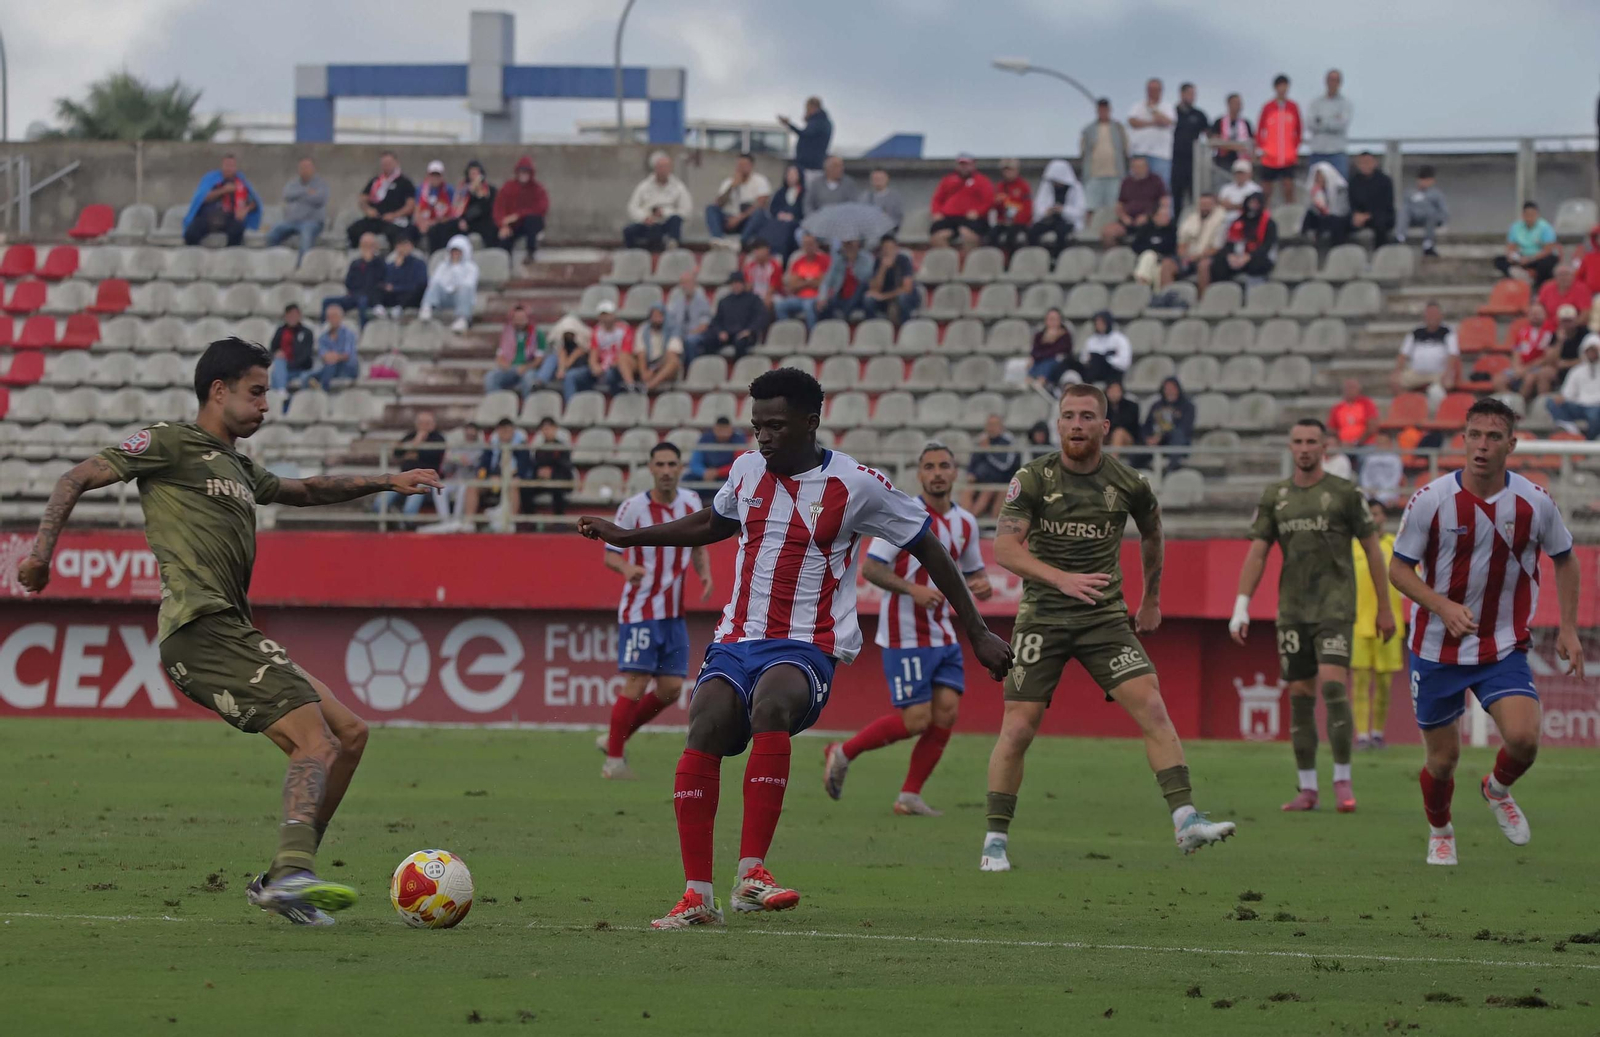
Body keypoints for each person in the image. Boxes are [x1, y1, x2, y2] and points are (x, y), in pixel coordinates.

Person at [16, 337, 440, 925]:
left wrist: (387, 482)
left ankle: (280, 877)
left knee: (350, 733)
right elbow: (75, 478)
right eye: (257, 391)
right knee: (316, 740)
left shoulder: (239, 466)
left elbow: (306, 490)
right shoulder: (168, 442)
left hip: (231, 629)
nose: (267, 405)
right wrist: (41, 555)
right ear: (219, 390)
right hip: (199, 628)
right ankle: (292, 875)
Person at [576, 367, 1013, 928]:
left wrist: (975, 629)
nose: (763, 436)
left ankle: (752, 873)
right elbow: (714, 520)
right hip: (736, 637)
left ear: (811, 423)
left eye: (775, 426)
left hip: (809, 642)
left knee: (772, 705)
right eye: (757, 425)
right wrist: (627, 535)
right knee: (704, 723)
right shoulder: (746, 469)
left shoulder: (856, 485)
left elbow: (928, 545)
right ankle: (697, 897)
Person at [985, 383, 1236, 873]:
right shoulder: (1033, 478)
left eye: (1086, 416)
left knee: (1154, 708)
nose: (1076, 424)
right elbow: (1005, 549)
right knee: (1017, 728)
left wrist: (1152, 599)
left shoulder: (1129, 482)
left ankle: (1186, 819)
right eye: (1068, 416)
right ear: (1057, 424)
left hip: (1103, 619)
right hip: (1042, 617)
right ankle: (994, 841)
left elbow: (1154, 532)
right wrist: (1062, 579)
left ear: (1105, 425)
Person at [1388, 398, 1583, 866]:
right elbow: (1399, 569)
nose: (1482, 445)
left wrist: (1570, 628)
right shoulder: (1431, 499)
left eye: (1494, 437)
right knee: (1443, 760)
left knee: (1524, 739)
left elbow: (1566, 559)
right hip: (1436, 647)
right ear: (1463, 439)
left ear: (1511, 444)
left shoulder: (1534, 502)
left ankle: (1497, 789)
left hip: (1502, 645)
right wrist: (1441, 606)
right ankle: (1440, 829)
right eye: (1475, 435)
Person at [1230, 418, 1394, 813]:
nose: (1304, 448)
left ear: (1326, 448)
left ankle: (1341, 779)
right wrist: (1241, 605)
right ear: (1290, 448)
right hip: (1293, 609)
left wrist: (1385, 608)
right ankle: (1307, 788)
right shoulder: (1276, 496)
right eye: (1298, 442)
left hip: (1335, 607)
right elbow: (1258, 551)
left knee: (1334, 687)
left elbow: (1373, 549)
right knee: (1301, 697)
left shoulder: (1344, 494)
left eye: (1312, 442)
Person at [824, 443, 994, 816]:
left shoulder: (965, 522)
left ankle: (910, 795)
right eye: (929, 466)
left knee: (946, 713)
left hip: (943, 633)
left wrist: (981, 584)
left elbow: (971, 572)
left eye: (944, 466)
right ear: (918, 474)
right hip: (906, 633)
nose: (937, 472)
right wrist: (912, 589)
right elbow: (872, 568)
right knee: (917, 720)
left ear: (955, 473)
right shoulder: (903, 514)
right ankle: (844, 751)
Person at [597, 442, 713, 779]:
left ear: (680, 468)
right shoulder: (632, 508)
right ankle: (614, 762)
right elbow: (609, 553)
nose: (665, 470)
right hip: (640, 610)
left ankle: (613, 739)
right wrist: (626, 569)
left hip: (674, 613)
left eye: (671, 464)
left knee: (671, 689)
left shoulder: (691, 502)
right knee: (634, 684)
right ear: (649, 468)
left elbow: (698, 544)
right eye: (659, 464)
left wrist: (704, 572)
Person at [1351, 498, 1406, 750]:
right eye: (1369, 514)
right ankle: (1361, 735)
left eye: (1377, 514)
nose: (1373, 519)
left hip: (1389, 625)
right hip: (1358, 624)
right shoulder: (1352, 546)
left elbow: (1411, 580)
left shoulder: (1396, 545)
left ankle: (1377, 733)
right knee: (1360, 682)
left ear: (1384, 517)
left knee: (1384, 683)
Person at [377, 411, 449, 520]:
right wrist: (417, 440)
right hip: (404, 475)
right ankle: (390, 519)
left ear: (433, 424)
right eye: (421, 423)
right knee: (379, 504)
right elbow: (397, 453)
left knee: (410, 509)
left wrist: (413, 448)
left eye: (427, 423)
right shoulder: (410, 435)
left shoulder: (438, 438)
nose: (423, 426)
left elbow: (433, 456)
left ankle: (406, 523)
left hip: (424, 478)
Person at [463, 418, 532, 529]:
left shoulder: (521, 445)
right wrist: (486, 476)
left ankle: (510, 522)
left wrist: (512, 477)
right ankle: (469, 522)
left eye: (508, 431)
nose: (504, 434)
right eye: (502, 431)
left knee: (514, 485)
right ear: (498, 431)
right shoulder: (492, 444)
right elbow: (483, 465)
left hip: (512, 479)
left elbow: (524, 468)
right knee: (472, 485)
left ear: (513, 431)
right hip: (493, 479)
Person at [1390, 301, 1460, 409]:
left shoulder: (1448, 332)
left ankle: (1437, 412)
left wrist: (1448, 372)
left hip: (1438, 373)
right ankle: (1408, 408)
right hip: (1417, 373)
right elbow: (1403, 354)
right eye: (1429, 314)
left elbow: (1453, 354)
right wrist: (1397, 371)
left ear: (1441, 316)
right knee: (1395, 381)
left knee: (1440, 388)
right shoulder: (1416, 332)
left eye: (1435, 314)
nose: (1432, 317)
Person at [183, 154, 261, 247]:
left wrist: (245, 210)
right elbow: (202, 198)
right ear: (222, 166)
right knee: (191, 234)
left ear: (235, 168)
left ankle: (228, 257)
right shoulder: (212, 179)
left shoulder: (241, 182)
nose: (229, 169)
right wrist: (224, 190)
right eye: (226, 165)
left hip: (230, 218)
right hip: (208, 217)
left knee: (237, 231)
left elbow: (254, 202)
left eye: (231, 166)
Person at [346, 151, 416, 248]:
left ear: (396, 163)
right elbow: (362, 199)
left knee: (395, 234)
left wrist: (394, 215)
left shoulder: (404, 182)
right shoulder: (376, 181)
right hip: (376, 218)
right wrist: (368, 210)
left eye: (389, 163)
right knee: (353, 230)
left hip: (394, 220)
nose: (386, 166)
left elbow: (410, 206)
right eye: (384, 164)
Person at [624, 152, 691, 253]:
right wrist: (644, 217)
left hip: (667, 222)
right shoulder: (644, 186)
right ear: (655, 168)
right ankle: (635, 255)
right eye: (661, 167)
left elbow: (686, 209)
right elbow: (632, 207)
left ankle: (672, 246)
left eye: (666, 167)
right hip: (649, 221)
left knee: (675, 220)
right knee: (628, 231)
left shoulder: (678, 187)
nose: (663, 170)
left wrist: (665, 213)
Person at [266, 158, 328, 265]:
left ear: (313, 169)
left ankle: (302, 267)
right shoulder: (293, 183)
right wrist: (306, 192)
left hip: (312, 222)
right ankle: (273, 263)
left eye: (307, 168)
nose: (305, 170)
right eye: (302, 168)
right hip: (291, 221)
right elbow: (287, 195)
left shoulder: (320, 184)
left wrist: (298, 196)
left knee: (305, 238)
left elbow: (319, 199)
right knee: (273, 234)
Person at [928, 153, 996, 251]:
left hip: (971, 219)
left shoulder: (982, 181)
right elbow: (937, 199)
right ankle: (950, 261)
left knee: (968, 236)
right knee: (937, 236)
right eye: (961, 164)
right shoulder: (948, 180)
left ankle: (967, 262)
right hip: (949, 218)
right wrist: (936, 212)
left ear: (973, 165)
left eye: (967, 164)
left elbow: (989, 201)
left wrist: (978, 212)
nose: (964, 167)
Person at [566, 301, 632, 399]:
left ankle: (617, 400)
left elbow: (625, 355)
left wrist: (605, 367)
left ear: (614, 315)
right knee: (571, 376)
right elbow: (593, 354)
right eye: (603, 315)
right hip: (600, 367)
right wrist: (595, 366)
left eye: (608, 315)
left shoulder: (624, 330)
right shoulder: (597, 331)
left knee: (610, 375)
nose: (606, 318)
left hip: (615, 367)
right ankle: (571, 406)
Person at [1208, 191, 1278, 284]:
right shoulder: (1237, 221)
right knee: (1218, 261)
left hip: (1256, 256)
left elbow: (1267, 246)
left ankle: (1254, 291)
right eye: (1251, 202)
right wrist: (1230, 256)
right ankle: (1223, 291)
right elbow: (1229, 242)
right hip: (1237, 256)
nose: (1253, 206)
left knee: (1258, 264)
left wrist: (1248, 256)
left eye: (1256, 203)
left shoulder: (1269, 223)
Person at [1493, 302, 1557, 402]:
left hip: (1537, 368)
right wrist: (1517, 368)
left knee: (1529, 379)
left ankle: (1519, 405)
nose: (1535, 316)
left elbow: (1547, 358)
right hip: (1522, 367)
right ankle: (1510, 403)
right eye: (1533, 313)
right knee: (1498, 380)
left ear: (1545, 315)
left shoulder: (1551, 333)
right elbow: (1516, 353)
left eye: (1538, 313)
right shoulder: (1522, 332)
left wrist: (1525, 369)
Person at [1079, 98, 1130, 223]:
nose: (1103, 112)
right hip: (1094, 175)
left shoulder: (1118, 128)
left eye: (1105, 109)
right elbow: (1083, 151)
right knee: (1090, 207)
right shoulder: (1088, 129)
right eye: (1100, 109)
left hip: (1114, 175)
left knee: (1113, 208)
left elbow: (1126, 149)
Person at [1101, 156, 1167, 248]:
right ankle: (1114, 258)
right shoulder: (1126, 182)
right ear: (1132, 168)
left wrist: (1149, 217)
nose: (1139, 169)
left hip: (1149, 221)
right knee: (1108, 232)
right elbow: (1119, 205)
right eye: (1136, 167)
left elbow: (1164, 202)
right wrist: (1124, 217)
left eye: (1142, 166)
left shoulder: (1156, 180)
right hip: (1128, 221)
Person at [962, 414, 1021, 517]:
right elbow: (973, 462)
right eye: (989, 425)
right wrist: (971, 473)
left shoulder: (1008, 443)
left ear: (1001, 427)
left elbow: (1004, 466)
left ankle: (972, 521)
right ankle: (965, 523)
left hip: (1000, 480)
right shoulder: (982, 441)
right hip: (980, 480)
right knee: (966, 490)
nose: (991, 428)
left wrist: (988, 450)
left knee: (987, 491)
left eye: (994, 425)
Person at [492, 156, 548, 262]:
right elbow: (498, 208)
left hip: (529, 224)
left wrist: (518, 215)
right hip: (513, 226)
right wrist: (502, 225)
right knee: (504, 239)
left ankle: (531, 253)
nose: (524, 174)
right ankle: (506, 264)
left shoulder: (537, 189)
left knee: (532, 220)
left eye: (526, 172)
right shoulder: (508, 187)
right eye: (521, 171)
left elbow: (542, 208)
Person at [1256, 75, 1302, 205]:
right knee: (1266, 190)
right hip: (1270, 157)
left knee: (1288, 188)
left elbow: (1299, 129)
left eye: (1285, 86)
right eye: (1280, 86)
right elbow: (1260, 129)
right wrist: (1263, 147)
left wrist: (1294, 148)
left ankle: (1290, 216)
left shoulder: (1293, 107)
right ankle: (1263, 217)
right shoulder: (1268, 107)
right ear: (1275, 88)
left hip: (1287, 157)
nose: (1283, 89)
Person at [706, 153, 772, 243]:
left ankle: (742, 243)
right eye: (739, 165)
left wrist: (739, 218)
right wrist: (732, 187)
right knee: (710, 209)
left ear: (751, 166)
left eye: (744, 165)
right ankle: (718, 241)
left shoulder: (759, 180)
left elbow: (761, 203)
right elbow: (718, 203)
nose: (741, 168)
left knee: (759, 213)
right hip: (729, 219)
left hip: (747, 220)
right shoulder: (729, 182)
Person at [419, 235, 479, 332]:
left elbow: (469, 284)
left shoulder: (471, 267)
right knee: (434, 285)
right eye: (453, 251)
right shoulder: (443, 265)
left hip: (460, 297)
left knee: (465, 289)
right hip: (444, 296)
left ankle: (462, 319)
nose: (455, 254)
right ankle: (426, 308)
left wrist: (456, 270)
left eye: (458, 251)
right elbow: (436, 280)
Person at [485, 304, 549, 396]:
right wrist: (506, 366)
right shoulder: (506, 334)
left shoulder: (537, 334)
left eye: (522, 318)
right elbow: (499, 357)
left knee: (529, 379)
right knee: (491, 377)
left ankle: (528, 407)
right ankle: (497, 405)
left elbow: (539, 359)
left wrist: (525, 367)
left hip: (528, 368)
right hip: (510, 368)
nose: (519, 321)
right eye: (517, 318)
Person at [1125, 77, 1176, 190]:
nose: (1152, 92)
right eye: (1150, 89)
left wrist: (1153, 109)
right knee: (1137, 187)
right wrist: (1152, 122)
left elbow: (1166, 122)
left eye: (1155, 89)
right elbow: (1132, 122)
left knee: (1162, 187)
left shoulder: (1167, 107)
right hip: (1140, 153)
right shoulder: (1137, 106)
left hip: (1161, 155)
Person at [772, 232, 831, 329]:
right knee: (780, 306)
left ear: (816, 244)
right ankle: (789, 331)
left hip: (816, 297)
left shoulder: (825, 260)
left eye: (811, 244)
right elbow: (792, 285)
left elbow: (823, 282)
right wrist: (811, 281)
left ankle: (812, 335)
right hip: (799, 297)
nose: (808, 247)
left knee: (808, 306)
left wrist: (802, 281)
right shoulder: (798, 262)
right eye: (805, 244)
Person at [704, 272, 769, 359]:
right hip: (727, 334)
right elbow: (716, 321)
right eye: (733, 283)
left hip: (745, 335)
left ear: (743, 284)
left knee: (740, 343)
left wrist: (749, 330)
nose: (735, 285)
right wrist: (720, 332)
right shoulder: (724, 301)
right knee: (708, 341)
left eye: (738, 283)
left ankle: (739, 369)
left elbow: (761, 317)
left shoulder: (753, 299)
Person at [1494, 201, 1561, 286]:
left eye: (1532, 214)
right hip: (1522, 256)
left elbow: (1548, 249)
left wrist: (1530, 259)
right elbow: (1511, 246)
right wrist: (1513, 256)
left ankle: (1538, 286)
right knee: (1499, 260)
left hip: (1539, 257)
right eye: (1527, 214)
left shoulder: (1545, 227)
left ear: (1537, 214)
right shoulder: (1516, 227)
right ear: (1523, 215)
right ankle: (1521, 276)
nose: (1530, 217)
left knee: (1547, 263)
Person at [323, 232, 384, 325]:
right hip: (354, 296)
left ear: (375, 246)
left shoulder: (380, 263)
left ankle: (363, 330)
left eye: (370, 245)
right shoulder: (355, 263)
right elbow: (348, 282)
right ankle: (324, 330)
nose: (366, 248)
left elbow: (374, 283)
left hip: (370, 297)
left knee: (363, 301)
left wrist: (369, 263)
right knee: (327, 301)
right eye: (364, 245)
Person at [1029, 159, 1086, 257]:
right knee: (1033, 231)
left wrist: (1062, 210)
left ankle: (1057, 259)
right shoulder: (1047, 185)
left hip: (1067, 221)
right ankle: (1037, 257)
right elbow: (1039, 206)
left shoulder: (1076, 188)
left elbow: (1080, 211)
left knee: (1061, 232)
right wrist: (1047, 211)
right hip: (1050, 219)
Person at [1546, 336, 1600, 437]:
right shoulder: (1576, 370)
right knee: (1551, 402)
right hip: (1579, 405)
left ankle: (1589, 441)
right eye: (1589, 350)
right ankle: (1572, 431)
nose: (1592, 353)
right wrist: (1562, 398)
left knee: (1595, 415)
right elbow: (1568, 394)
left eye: (1594, 350)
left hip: (1597, 407)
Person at [1174, 192, 1227, 289]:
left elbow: (1216, 248)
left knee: (1203, 265)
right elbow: (1182, 243)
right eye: (1202, 205)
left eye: (1207, 205)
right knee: (1167, 264)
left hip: (1209, 257)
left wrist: (1196, 257)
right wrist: (1183, 256)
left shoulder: (1221, 219)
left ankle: (1202, 301)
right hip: (1188, 257)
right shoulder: (1191, 218)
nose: (1204, 208)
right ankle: (1165, 299)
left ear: (1214, 205)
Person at [1170, 82, 1210, 211]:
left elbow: (1209, 134)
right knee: (1176, 194)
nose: (1192, 97)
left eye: (1194, 94)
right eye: (1189, 94)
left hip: (1193, 161)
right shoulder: (1172, 113)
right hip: (1175, 160)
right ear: (1181, 94)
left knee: (1194, 193)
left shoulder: (1199, 115)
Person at [627, 305, 686, 392]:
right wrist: (644, 373)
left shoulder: (673, 330)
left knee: (673, 361)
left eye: (659, 316)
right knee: (623, 357)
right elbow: (641, 353)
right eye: (654, 316)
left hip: (662, 365)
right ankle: (631, 386)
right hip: (647, 363)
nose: (657, 319)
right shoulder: (643, 329)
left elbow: (671, 353)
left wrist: (653, 370)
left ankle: (649, 386)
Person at [1305, 69, 1352, 178]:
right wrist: (1333, 119)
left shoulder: (1345, 104)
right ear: (1326, 81)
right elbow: (1310, 124)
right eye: (1330, 80)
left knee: (1340, 187)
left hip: (1337, 151)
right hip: (1318, 151)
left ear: (1340, 83)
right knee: (1315, 188)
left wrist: (1321, 121)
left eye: (1336, 80)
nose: (1332, 83)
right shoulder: (1315, 103)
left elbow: (1342, 125)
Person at [443, 160, 498, 251]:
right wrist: (462, 220)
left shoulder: (490, 190)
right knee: (448, 227)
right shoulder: (463, 190)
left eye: (476, 173)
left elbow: (485, 208)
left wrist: (477, 193)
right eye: (472, 173)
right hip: (465, 221)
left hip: (482, 221)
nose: (474, 176)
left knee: (491, 229)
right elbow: (457, 208)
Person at [862, 235, 918, 324]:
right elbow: (874, 289)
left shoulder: (904, 260)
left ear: (896, 249)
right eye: (885, 248)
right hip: (885, 298)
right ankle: (872, 328)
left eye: (890, 248)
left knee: (902, 298)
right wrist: (882, 269)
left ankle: (905, 327)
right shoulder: (878, 262)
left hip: (902, 297)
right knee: (868, 298)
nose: (888, 251)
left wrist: (884, 297)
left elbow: (907, 289)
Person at [777, 97, 833, 187]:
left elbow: (805, 134)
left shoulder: (819, 122)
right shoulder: (820, 121)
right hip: (810, 165)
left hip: (811, 166)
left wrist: (790, 125)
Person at [525, 417, 575, 517]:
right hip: (542, 481)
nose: (547, 431)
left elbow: (566, 467)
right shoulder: (539, 449)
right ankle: (529, 519)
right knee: (525, 489)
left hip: (559, 478)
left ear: (555, 429)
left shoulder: (562, 447)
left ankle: (559, 520)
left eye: (549, 428)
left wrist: (552, 472)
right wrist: (539, 472)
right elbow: (535, 465)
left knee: (557, 488)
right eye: (544, 429)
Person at [1140, 377, 1194, 465]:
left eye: (1172, 388)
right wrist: (1148, 438)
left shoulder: (1187, 406)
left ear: (1178, 389)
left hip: (1176, 443)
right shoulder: (1156, 406)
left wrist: (1161, 436)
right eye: (1167, 389)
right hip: (1155, 442)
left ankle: (1171, 471)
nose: (1170, 391)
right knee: (1137, 451)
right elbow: (1147, 425)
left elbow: (1185, 428)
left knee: (1178, 436)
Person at [1397, 164, 1448, 257]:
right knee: (1404, 209)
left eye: (1426, 180)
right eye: (1422, 179)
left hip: (1430, 219)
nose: (1424, 182)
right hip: (1413, 218)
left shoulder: (1436, 194)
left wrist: (1439, 219)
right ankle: (1400, 238)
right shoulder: (1410, 193)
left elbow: (1444, 212)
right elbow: (1404, 208)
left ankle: (1428, 244)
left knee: (1431, 212)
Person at [1346, 151, 1395, 247]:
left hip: (1380, 215)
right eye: (1362, 163)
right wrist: (1356, 214)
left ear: (1374, 163)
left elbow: (1386, 204)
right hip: (1359, 216)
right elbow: (1351, 202)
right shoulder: (1353, 181)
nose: (1365, 165)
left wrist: (1368, 215)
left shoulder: (1385, 180)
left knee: (1380, 223)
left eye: (1367, 162)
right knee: (1340, 223)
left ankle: (1380, 253)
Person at [817, 238, 872, 322]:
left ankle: (844, 315)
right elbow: (826, 282)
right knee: (822, 307)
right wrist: (822, 297)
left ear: (858, 243)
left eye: (850, 243)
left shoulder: (867, 258)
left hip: (858, 298)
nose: (848, 246)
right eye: (845, 243)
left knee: (863, 286)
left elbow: (867, 278)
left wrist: (852, 264)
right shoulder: (838, 260)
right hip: (841, 297)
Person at [374, 236, 428, 319]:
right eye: (400, 245)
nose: (403, 248)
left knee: (416, 291)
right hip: (394, 295)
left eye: (406, 245)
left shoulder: (419, 263)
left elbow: (420, 283)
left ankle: (399, 308)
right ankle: (379, 307)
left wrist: (396, 288)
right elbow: (387, 282)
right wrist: (397, 268)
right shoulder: (391, 265)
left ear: (411, 246)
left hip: (409, 295)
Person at [1074, 310, 1132, 385]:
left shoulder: (1119, 339)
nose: (1099, 325)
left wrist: (1107, 359)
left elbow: (1124, 362)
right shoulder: (1091, 340)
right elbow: (1084, 358)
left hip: (1112, 371)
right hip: (1094, 371)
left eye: (1101, 323)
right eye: (1097, 323)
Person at [308, 304, 359, 388]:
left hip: (346, 368)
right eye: (330, 317)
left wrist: (334, 357)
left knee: (330, 366)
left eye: (335, 316)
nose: (332, 319)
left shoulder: (349, 334)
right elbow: (323, 355)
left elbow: (347, 355)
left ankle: (323, 390)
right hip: (330, 367)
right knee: (306, 377)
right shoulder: (323, 337)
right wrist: (333, 357)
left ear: (341, 318)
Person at [1129, 196, 1177, 285]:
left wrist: (1153, 249)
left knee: (1150, 257)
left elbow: (1170, 247)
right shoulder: (1146, 229)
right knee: (1150, 258)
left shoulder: (1172, 230)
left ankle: (1139, 281)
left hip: (1163, 260)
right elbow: (1136, 246)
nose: (1166, 218)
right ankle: (1142, 281)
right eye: (1163, 216)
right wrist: (1153, 249)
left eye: (1167, 216)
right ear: (1155, 217)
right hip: (1148, 260)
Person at [988, 158, 1034, 253]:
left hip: (1018, 223)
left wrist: (1015, 219)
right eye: (1005, 170)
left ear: (1016, 170)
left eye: (1010, 170)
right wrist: (997, 203)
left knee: (1011, 236)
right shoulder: (1000, 186)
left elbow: (1027, 208)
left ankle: (1011, 262)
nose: (1007, 173)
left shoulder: (1023, 186)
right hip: (1003, 222)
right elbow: (994, 207)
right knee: (992, 235)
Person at [1301, 161, 1351, 246]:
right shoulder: (1315, 191)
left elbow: (1341, 210)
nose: (1319, 179)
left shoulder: (1340, 189)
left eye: (1321, 176)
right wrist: (1316, 198)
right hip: (1323, 218)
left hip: (1338, 218)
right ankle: (1305, 243)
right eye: (1317, 177)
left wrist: (1325, 209)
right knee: (1309, 215)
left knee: (1336, 222)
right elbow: (1312, 209)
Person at [267, 304, 314, 393]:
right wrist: (276, 353)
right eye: (289, 315)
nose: (292, 318)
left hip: (301, 369)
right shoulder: (280, 331)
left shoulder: (307, 332)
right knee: (277, 366)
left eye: (294, 315)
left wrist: (289, 365)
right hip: (284, 368)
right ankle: (281, 394)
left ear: (299, 316)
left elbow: (306, 355)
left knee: (278, 374)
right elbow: (272, 349)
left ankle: (282, 395)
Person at [762, 165, 806, 256]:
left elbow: (804, 209)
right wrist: (779, 214)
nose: (791, 177)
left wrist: (793, 216)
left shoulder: (804, 193)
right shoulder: (780, 192)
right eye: (789, 174)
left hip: (796, 222)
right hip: (779, 221)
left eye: (794, 174)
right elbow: (773, 208)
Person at [413, 161, 456, 253]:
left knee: (440, 230)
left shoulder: (448, 190)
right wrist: (422, 223)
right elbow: (417, 210)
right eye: (433, 175)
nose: (435, 178)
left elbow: (453, 212)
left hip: (441, 222)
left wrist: (434, 222)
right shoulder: (421, 190)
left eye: (438, 175)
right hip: (424, 222)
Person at [686, 416, 746, 481]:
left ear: (731, 429)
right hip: (706, 474)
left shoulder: (738, 440)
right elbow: (695, 462)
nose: (723, 433)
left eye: (725, 429)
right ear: (715, 429)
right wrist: (703, 472)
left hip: (727, 475)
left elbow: (739, 464)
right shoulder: (705, 439)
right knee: (687, 478)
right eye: (720, 430)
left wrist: (718, 472)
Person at [666, 269, 714, 350]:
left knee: (690, 340)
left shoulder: (702, 301)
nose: (685, 286)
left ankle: (691, 362)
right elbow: (671, 320)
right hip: (680, 333)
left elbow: (704, 325)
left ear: (694, 284)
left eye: (688, 282)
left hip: (697, 334)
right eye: (683, 283)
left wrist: (690, 333)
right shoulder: (677, 302)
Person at [1027, 308, 1073, 390]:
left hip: (1056, 363)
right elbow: (1035, 351)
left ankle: (1041, 380)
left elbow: (1059, 350)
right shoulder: (1039, 335)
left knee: (1050, 362)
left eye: (1055, 319)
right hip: (1039, 360)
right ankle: (1030, 380)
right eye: (1050, 319)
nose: (1053, 322)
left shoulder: (1065, 336)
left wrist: (1051, 341)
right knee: (1032, 363)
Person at [1209, 93, 1254, 174]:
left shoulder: (1246, 123)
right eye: (1235, 103)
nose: (1238, 106)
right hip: (1223, 161)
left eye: (1239, 104)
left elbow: (1250, 143)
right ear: (1228, 104)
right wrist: (1235, 147)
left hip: (1242, 161)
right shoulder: (1219, 122)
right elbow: (1214, 142)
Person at [1328, 377, 1379, 446]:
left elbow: (1372, 427)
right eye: (1347, 388)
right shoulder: (1337, 408)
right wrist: (1340, 442)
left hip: (1365, 444)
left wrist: (1357, 442)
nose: (1350, 390)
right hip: (1343, 446)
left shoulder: (1367, 403)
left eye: (1352, 387)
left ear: (1359, 389)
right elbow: (1332, 429)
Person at [741, 239, 784, 308]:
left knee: (776, 302)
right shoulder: (750, 267)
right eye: (755, 250)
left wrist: (767, 297)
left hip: (773, 295)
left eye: (759, 249)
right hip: (754, 295)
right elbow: (748, 285)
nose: (757, 252)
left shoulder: (775, 265)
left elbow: (774, 286)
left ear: (767, 250)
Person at [860, 168, 904, 234]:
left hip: (888, 234)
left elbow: (898, 218)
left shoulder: (895, 198)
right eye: (875, 179)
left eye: (880, 178)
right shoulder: (865, 197)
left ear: (887, 179)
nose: (878, 181)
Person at [1103, 380, 1141, 448]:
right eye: (1111, 391)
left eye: (1116, 391)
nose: (1114, 394)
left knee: (1118, 433)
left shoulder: (1131, 406)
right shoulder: (1103, 407)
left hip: (1128, 438)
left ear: (1122, 392)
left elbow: (1128, 424)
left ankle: (1113, 457)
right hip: (1107, 435)